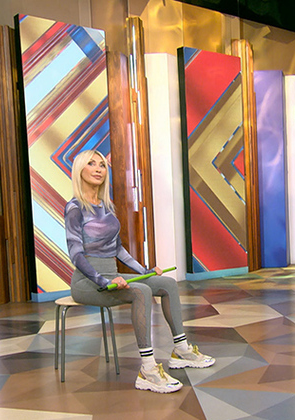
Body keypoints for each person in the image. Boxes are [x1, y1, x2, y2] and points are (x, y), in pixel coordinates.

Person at [65, 150, 215, 393]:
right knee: (141, 291)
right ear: (80, 169)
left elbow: (118, 249)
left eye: (102, 165)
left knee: (166, 283)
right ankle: (148, 369)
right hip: (87, 282)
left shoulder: (106, 207)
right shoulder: (74, 208)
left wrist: (145, 270)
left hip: (111, 275)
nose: (98, 169)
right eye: (91, 164)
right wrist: (102, 281)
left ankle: (181, 350)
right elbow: (76, 255)